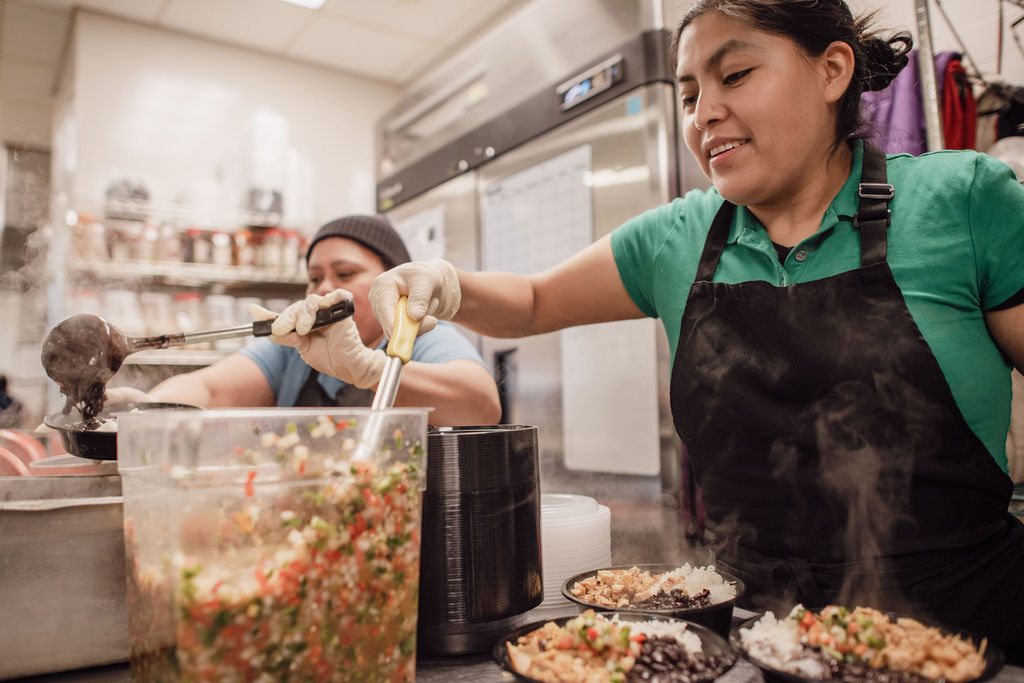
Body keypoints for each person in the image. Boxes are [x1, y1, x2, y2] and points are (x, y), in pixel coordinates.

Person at [365, 0, 1024, 656]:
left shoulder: (964, 201)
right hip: (753, 645)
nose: (703, 113)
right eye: (687, 94)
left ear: (833, 71)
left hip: (971, 638)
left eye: (734, 75)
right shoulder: (677, 239)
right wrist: (444, 283)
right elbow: (533, 300)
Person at [111, 215, 500, 426]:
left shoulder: (422, 336)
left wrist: (370, 370)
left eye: (344, 274)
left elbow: (482, 405)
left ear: (393, 283)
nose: (322, 289)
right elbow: (211, 390)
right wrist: (144, 409)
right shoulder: (295, 351)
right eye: (314, 278)